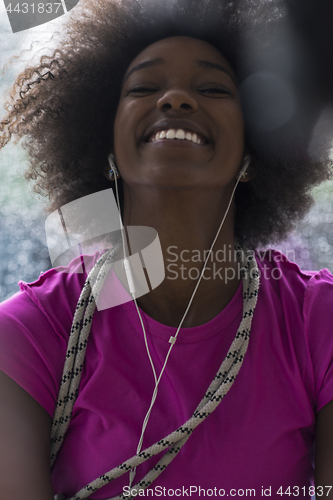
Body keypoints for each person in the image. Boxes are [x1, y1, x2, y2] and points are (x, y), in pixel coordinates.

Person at [0, 0, 333, 499]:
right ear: (105, 147)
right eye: (144, 87)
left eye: (213, 88)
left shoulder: (316, 323)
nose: (176, 99)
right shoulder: (30, 333)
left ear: (254, 151)